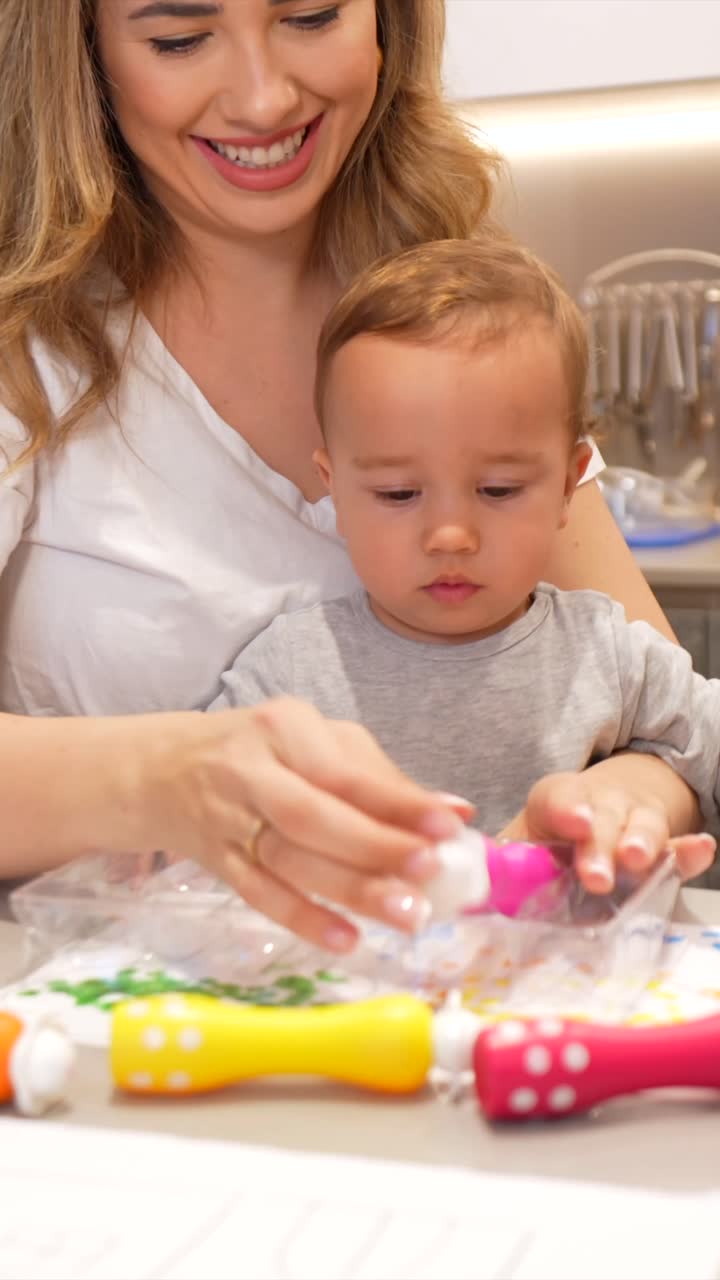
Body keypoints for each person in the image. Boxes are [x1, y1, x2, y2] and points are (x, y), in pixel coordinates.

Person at [0, 1, 711, 952]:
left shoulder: (471, 332)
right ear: (80, 52)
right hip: (107, 1026)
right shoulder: (26, 351)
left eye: (312, 14)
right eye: (178, 38)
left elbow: (662, 730)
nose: (262, 98)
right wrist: (162, 780)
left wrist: (624, 801)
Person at [210, 237, 720, 895]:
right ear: (333, 488)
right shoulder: (288, 672)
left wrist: (635, 799)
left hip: (563, 982)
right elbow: (200, 820)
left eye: (499, 490)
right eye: (399, 494)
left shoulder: (608, 652)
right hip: (363, 983)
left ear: (568, 486)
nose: (450, 536)